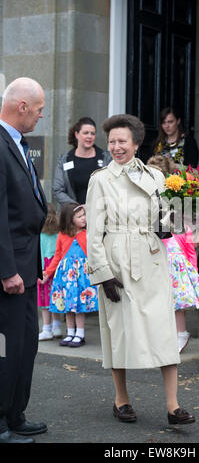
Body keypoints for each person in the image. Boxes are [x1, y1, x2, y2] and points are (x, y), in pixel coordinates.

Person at [86, 113, 196, 425]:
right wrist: (103, 274)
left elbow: (162, 221)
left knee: (164, 330)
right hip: (118, 260)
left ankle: (173, 406)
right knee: (119, 330)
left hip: (153, 258)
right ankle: (121, 399)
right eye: (112, 142)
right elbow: (94, 234)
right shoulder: (101, 180)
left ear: (136, 144)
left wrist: (171, 222)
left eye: (122, 141)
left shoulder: (156, 177)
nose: (116, 147)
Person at [0, 77, 48, 443]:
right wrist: (7, 271)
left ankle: (16, 413)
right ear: (22, 107)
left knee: (27, 342)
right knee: (7, 346)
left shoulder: (17, 143)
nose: (40, 115)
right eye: (38, 109)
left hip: (27, 267)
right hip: (9, 272)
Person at [147, 155, 199, 353]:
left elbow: (190, 215)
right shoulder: (147, 192)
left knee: (174, 291)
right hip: (153, 243)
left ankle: (180, 332)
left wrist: (198, 229)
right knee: (155, 294)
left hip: (173, 243)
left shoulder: (176, 193)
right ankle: (162, 333)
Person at [41, 203, 98, 347]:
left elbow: (93, 254)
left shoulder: (87, 234)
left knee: (79, 305)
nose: (84, 218)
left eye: (84, 215)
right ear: (69, 219)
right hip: (66, 277)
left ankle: (80, 334)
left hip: (81, 277)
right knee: (68, 305)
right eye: (79, 216)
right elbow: (57, 256)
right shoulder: (62, 235)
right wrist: (47, 273)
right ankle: (70, 333)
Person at [52, 116, 111, 206]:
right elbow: (57, 190)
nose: (89, 136)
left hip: (100, 214)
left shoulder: (106, 158)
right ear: (77, 134)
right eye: (86, 133)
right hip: (74, 216)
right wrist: (77, 208)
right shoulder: (65, 160)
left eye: (92, 133)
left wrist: (93, 207)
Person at [37, 203, 62, 341]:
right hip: (56, 269)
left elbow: (39, 254)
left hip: (44, 270)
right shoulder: (59, 234)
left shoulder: (40, 236)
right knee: (55, 298)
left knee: (44, 301)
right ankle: (57, 326)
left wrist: (41, 272)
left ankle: (46, 328)